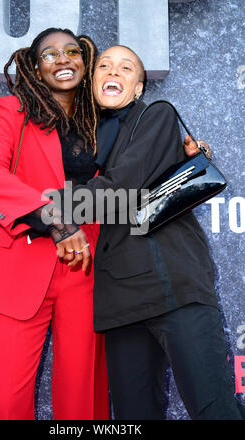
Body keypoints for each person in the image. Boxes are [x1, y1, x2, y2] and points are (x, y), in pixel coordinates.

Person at [53, 45, 245, 420]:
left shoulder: (157, 115)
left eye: (126, 68)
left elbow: (121, 189)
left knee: (215, 410)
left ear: (139, 87)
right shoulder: (82, 147)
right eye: (104, 66)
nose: (114, 72)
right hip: (120, 302)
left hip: (175, 288)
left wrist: (50, 208)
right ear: (92, 83)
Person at [0, 27, 110, 421]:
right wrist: (57, 222)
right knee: (7, 398)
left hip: (85, 265)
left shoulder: (101, 119)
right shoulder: (12, 111)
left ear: (85, 61)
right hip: (24, 263)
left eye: (72, 52)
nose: (63, 60)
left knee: (83, 395)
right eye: (50, 54)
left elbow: (131, 173)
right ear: (34, 66)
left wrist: (187, 148)